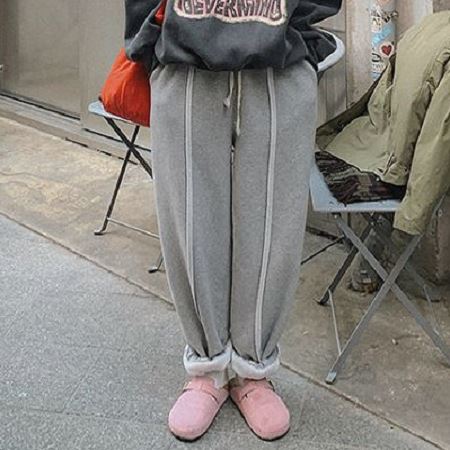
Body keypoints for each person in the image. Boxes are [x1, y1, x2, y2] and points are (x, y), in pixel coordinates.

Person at [124, 0, 344, 441]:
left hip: (279, 61)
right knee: (188, 217)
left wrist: (294, 27)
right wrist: (154, 34)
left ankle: (253, 368)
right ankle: (206, 366)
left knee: (273, 224)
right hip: (185, 59)